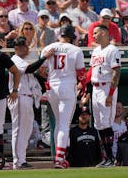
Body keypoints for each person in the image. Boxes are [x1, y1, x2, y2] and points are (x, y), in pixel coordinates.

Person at [40, 24, 86, 169]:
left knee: (58, 124)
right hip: (68, 86)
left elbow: (41, 70)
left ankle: (58, 157)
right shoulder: (76, 49)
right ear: (72, 36)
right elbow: (81, 74)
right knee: (64, 125)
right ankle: (60, 159)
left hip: (53, 87)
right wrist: (82, 87)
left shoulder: (49, 47)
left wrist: (49, 79)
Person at [8, 36, 54, 169]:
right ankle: (17, 161)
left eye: (26, 45)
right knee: (19, 130)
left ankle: (21, 160)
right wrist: (44, 57)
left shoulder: (23, 60)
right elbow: (29, 69)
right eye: (23, 46)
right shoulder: (15, 60)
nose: (26, 48)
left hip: (27, 97)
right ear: (16, 48)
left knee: (26, 130)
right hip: (19, 97)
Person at [85, 24, 121, 167]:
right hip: (96, 88)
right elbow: (91, 71)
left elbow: (116, 73)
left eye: (96, 32)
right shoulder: (95, 51)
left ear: (104, 33)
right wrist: (82, 83)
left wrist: (111, 94)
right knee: (99, 124)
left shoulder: (112, 50)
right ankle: (106, 158)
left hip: (107, 87)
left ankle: (111, 159)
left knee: (106, 123)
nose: (93, 35)